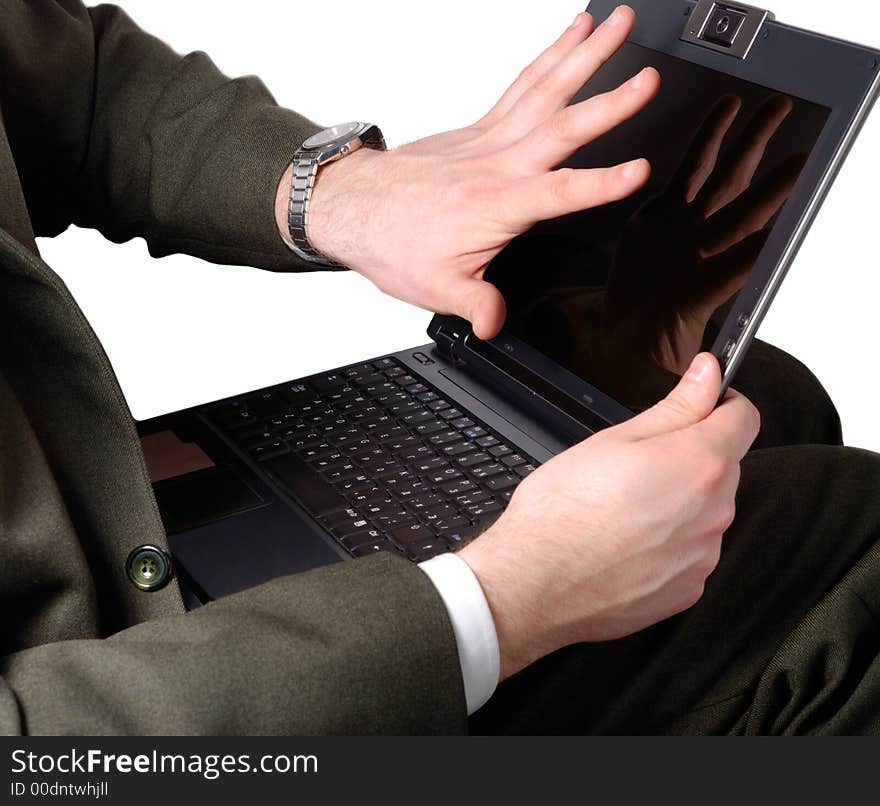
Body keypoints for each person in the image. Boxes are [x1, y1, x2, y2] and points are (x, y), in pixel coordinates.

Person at [1, 2, 877, 736]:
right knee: (849, 534)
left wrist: (337, 194)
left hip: (83, 520)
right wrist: (495, 606)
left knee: (766, 400)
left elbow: (68, 91)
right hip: (106, 709)